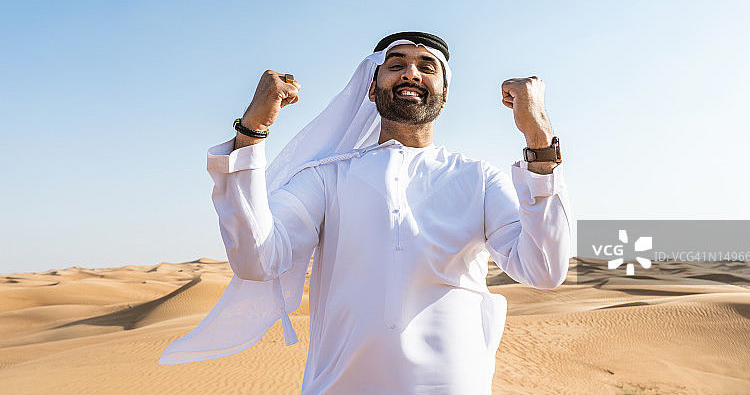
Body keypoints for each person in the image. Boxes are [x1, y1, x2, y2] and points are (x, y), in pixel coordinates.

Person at [160, 31, 572, 395]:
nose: (411, 73)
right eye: (396, 65)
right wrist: (251, 134)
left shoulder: (478, 179)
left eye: (426, 66)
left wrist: (537, 136)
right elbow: (257, 259)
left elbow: (543, 269)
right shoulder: (325, 178)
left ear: (444, 96)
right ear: (373, 90)